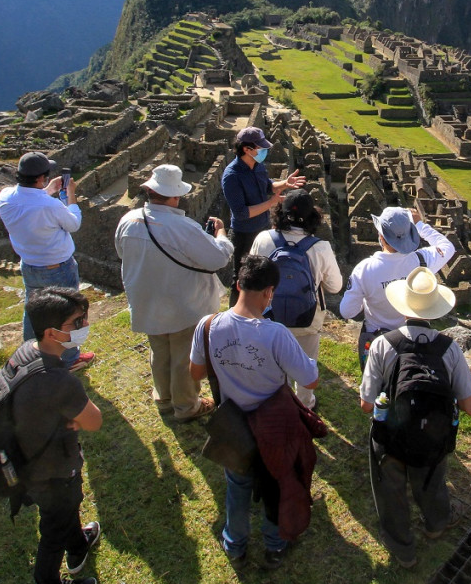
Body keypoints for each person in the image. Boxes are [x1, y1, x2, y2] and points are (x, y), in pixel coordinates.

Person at [190, 256, 319, 569]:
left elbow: (195, 373)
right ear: (269, 293)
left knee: (237, 485)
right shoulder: (275, 334)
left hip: (233, 424)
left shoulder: (207, 326)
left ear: (238, 285)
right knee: (277, 483)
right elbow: (310, 379)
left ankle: (235, 543)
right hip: (273, 425)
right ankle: (275, 544)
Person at [360, 266, 471, 568]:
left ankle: (403, 550)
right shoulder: (449, 349)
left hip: (391, 438)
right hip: (434, 435)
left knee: (391, 492)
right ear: (434, 310)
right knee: (432, 479)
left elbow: (365, 404)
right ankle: (437, 524)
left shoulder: (383, 345)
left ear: (402, 307)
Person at [115, 164, 232, 422]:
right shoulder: (184, 227)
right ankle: (187, 406)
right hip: (182, 304)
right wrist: (221, 235)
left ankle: (164, 398)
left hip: (146, 301)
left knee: (159, 351)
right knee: (183, 358)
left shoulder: (128, 221)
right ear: (176, 196)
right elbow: (217, 259)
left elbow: (122, 254)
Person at [11, 287, 103, 584]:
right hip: (51, 468)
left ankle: (77, 543)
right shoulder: (59, 379)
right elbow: (93, 421)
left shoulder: (24, 352)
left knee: (67, 507)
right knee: (52, 525)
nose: (84, 325)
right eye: (77, 321)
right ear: (52, 332)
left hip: (28, 455)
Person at [0, 151, 93, 370]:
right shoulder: (50, 206)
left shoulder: (5, 197)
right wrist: (70, 195)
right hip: (58, 267)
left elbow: (31, 205)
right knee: (68, 313)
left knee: (33, 310)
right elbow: (73, 224)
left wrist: (47, 190)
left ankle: (30, 356)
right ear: (41, 178)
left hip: (29, 266)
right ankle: (69, 360)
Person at [248, 189, 341, 409]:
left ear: (280, 212)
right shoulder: (321, 247)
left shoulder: (263, 239)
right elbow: (335, 286)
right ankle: (305, 404)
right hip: (306, 318)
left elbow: (251, 275)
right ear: (313, 217)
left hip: (269, 316)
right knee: (306, 363)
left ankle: (275, 400)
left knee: (272, 361)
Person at [340, 205, 456, 367]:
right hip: (410, 342)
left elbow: (347, 311)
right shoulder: (422, 262)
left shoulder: (364, 269)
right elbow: (448, 248)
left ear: (381, 236)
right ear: (410, 235)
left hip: (376, 340)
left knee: (374, 386)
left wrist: (368, 300)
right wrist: (420, 225)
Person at [220, 127, 305, 302]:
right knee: (242, 277)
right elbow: (241, 213)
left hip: (263, 228)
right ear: (247, 149)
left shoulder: (257, 166)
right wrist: (271, 204)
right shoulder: (232, 176)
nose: (264, 151)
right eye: (260, 148)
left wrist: (284, 183)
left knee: (264, 272)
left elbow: (268, 186)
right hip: (244, 233)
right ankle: (236, 315)